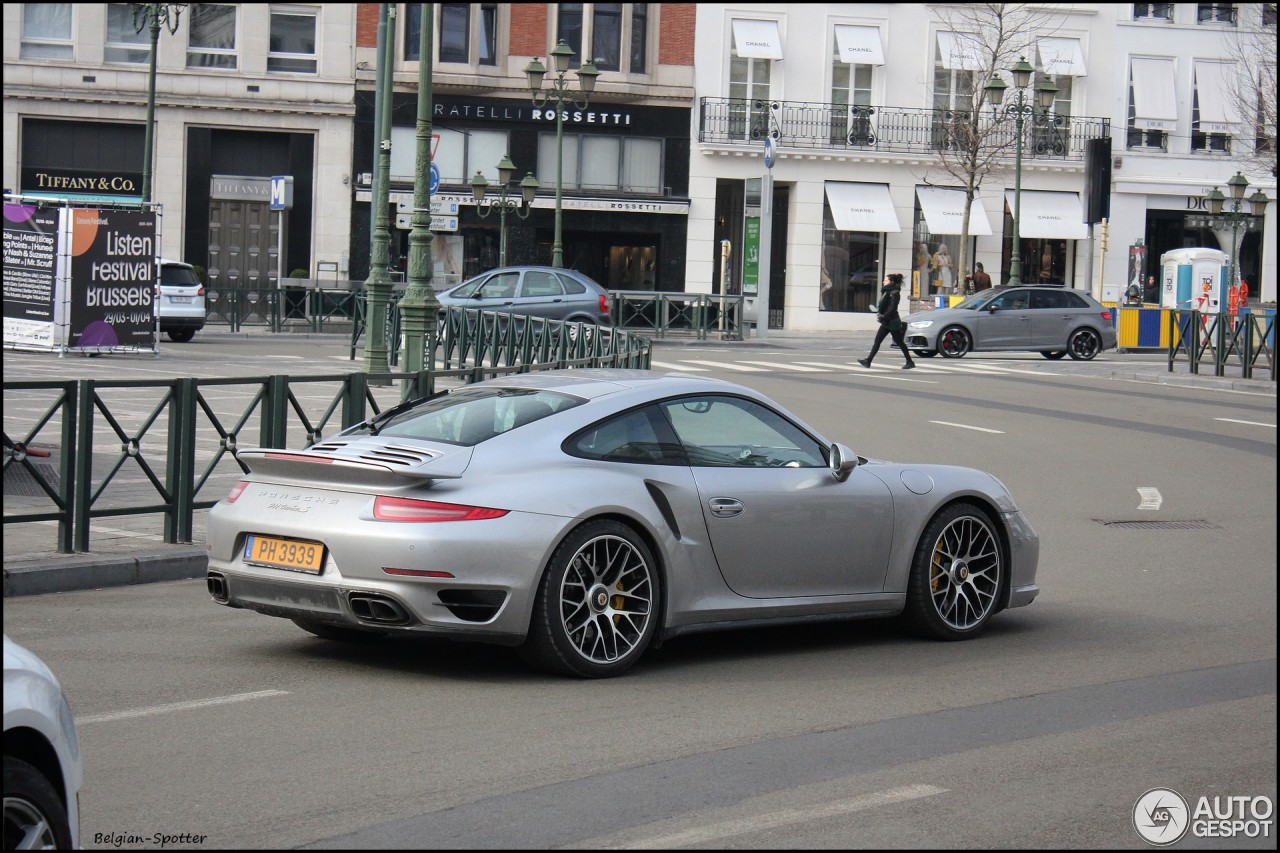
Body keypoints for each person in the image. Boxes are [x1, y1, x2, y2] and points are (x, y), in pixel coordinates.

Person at [858, 273, 915, 370]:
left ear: (891, 282)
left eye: (886, 280)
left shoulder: (894, 293)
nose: (884, 281)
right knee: (878, 341)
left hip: (892, 322)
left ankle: (910, 362)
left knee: (899, 342)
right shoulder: (886, 291)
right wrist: (881, 315)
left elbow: (892, 308)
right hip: (887, 321)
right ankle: (868, 361)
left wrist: (883, 316)